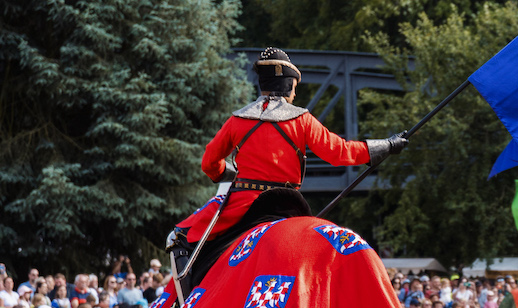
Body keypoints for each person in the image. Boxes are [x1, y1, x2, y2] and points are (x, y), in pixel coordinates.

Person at [167, 47, 408, 293]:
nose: (295, 92)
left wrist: (226, 174)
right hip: (288, 206)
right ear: (287, 84)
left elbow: (209, 162)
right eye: (294, 86)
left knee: (179, 239)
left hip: (241, 205)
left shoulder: (238, 120)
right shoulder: (302, 120)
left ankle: (186, 303)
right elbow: (340, 152)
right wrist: (386, 146)